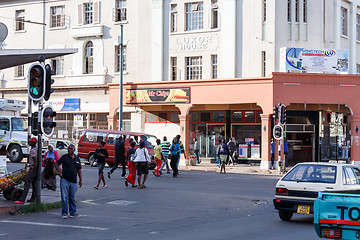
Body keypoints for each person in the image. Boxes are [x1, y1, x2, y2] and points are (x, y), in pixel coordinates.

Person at [55, 144, 82, 219]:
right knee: (64, 197)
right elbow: (56, 164)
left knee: (72, 198)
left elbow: (79, 169)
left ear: (74, 150)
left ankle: (72, 212)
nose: (69, 150)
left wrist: (80, 179)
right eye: (68, 148)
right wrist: (60, 172)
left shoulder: (77, 159)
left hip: (73, 181)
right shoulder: (64, 157)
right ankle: (64, 213)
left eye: (71, 148)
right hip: (65, 180)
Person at [14, 138, 39, 204]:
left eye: (30, 142)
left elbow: (35, 161)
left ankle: (22, 199)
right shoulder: (36, 149)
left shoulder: (33, 150)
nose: (28, 142)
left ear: (33, 143)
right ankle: (33, 198)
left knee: (27, 184)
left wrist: (34, 171)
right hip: (35, 169)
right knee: (34, 185)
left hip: (33, 169)